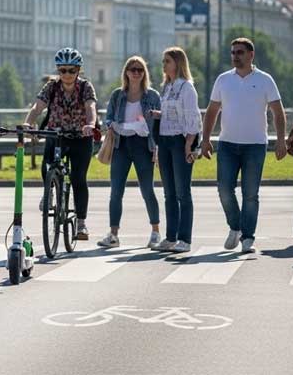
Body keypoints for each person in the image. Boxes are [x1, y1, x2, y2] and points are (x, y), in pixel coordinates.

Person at [201, 37, 287, 254]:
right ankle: (235, 226)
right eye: (233, 52)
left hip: (255, 145)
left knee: (250, 194)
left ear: (251, 55)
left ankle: (248, 237)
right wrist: (205, 140)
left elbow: (278, 112)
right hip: (228, 144)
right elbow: (212, 111)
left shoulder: (265, 80)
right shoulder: (223, 80)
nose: (235, 56)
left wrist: (280, 141)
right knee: (224, 190)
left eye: (239, 52)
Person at [23, 48, 98, 239]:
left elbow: (90, 106)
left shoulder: (86, 87)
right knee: (47, 165)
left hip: (81, 137)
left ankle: (81, 224)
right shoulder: (51, 87)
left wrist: (90, 124)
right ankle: (48, 192)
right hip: (57, 134)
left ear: (78, 70)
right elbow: (37, 106)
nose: (67, 74)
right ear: (58, 70)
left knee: (78, 178)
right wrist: (28, 123)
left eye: (71, 70)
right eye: (63, 70)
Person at [99, 56, 162, 248]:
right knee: (116, 191)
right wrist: (112, 125)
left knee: (147, 190)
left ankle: (155, 232)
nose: (136, 73)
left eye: (140, 70)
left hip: (144, 146)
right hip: (121, 145)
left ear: (144, 73)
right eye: (132, 69)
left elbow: (160, 125)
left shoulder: (152, 96)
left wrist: (156, 148)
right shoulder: (118, 95)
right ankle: (113, 234)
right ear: (126, 72)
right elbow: (107, 119)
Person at [153, 47, 202, 253]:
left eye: (168, 61)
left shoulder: (186, 87)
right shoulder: (167, 87)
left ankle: (185, 239)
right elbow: (169, 114)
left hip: (180, 141)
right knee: (169, 193)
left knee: (183, 192)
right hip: (164, 141)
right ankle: (170, 237)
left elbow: (193, 118)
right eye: (163, 61)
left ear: (178, 63)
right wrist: (156, 114)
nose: (164, 65)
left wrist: (189, 144)